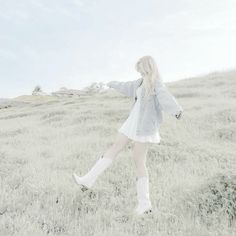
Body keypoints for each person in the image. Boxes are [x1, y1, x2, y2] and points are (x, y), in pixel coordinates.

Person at [73, 55, 183, 216]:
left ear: (147, 68)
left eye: (142, 71)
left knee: (139, 162)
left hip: (144, 127)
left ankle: (145, 204)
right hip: (132, 122)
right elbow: (126, 86)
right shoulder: (138, 83)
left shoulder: (156, 84)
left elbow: (166, 98)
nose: (140, 74)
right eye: (139, 72)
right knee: (115, 147)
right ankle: (88, 180)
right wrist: (111, 83)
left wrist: (177, 111)